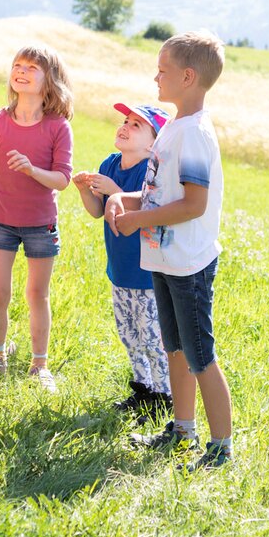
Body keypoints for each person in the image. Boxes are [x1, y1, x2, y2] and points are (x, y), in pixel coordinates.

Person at [106, 31, 233, 471]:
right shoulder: (175, 127)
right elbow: (162, 194)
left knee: (200, 355)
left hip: (188, 265)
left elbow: (194, 205)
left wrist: (139, 219)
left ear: (187, 76)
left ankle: (220, 448)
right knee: (174, 348)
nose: (155, 76)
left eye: (162, 70)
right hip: (165, 258)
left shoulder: (194, 134)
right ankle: (182, 430)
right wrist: (128, 202)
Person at [0, 45, 74, 392]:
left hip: (41, 224)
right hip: (1, 222)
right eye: (17, 65)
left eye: (32, 67)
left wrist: (31, 169)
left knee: (36, 295)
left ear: (50, 80)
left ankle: (39, 366)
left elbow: (62, 179)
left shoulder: (58, 127)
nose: (21, 71)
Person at [74, 103, 174, 416]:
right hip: (120, 270)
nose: (125, 126)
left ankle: (165, 396)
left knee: (152, 336)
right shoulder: (110, 163)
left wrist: (116, 190)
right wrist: (84, 190)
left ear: (153, 143)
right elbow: (98, 211)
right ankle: (143, 388)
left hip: (146, 273)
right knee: (129, 333)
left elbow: (145, 212)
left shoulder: (151, 173)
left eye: (136, 125)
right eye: (125, 121)